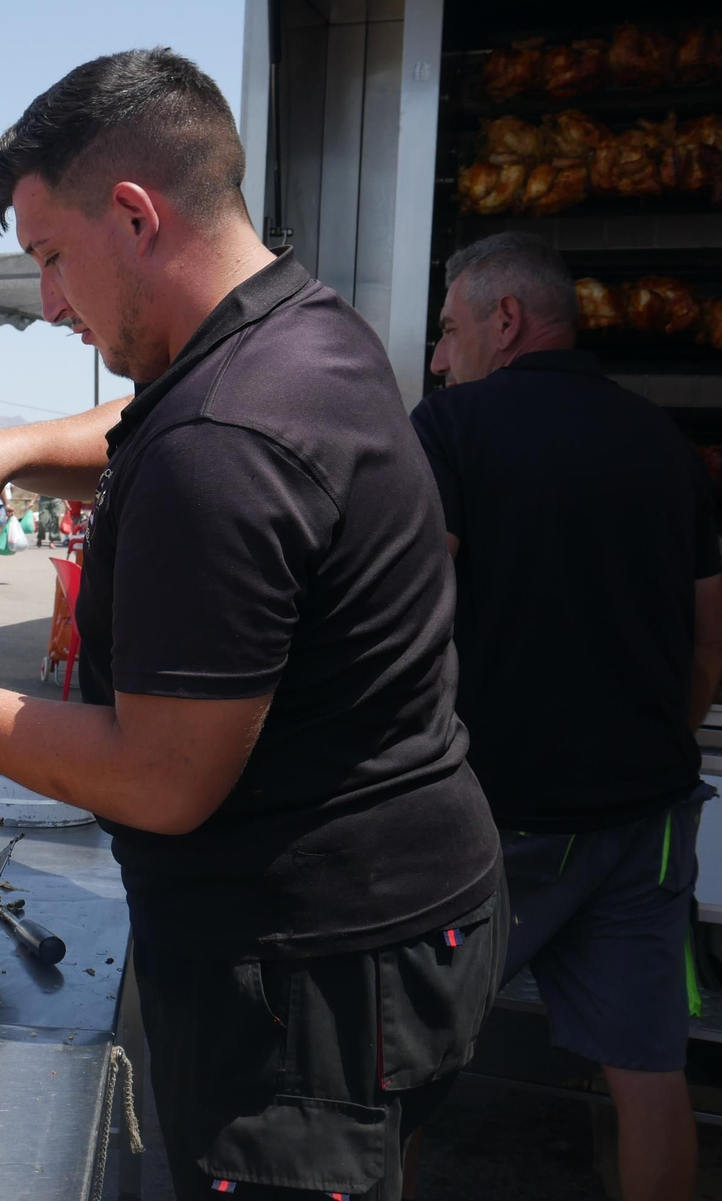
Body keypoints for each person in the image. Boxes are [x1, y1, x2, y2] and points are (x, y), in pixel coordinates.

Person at [0, 49, 502, 1201]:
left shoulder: (223, 449)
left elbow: (161, 780)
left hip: (307, 982)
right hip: (415, 916)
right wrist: (6, 451)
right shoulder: (302, 327)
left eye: (53, 258)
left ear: (136, 214)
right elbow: (157, 406)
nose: (49, 301)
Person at [411, 231, 720, 1201]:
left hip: (493, 823)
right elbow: (711, 630)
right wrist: (664, 734)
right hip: (644, 820)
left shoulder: (452, 428)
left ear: (505, 321)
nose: (436, 355)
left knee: (400, 1067)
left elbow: (403, 604)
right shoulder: (666, 445)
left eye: (448, 328)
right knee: (649, 1071)